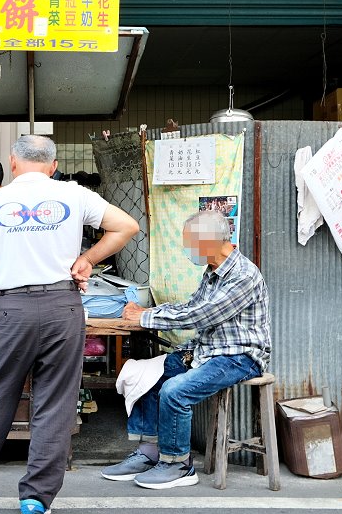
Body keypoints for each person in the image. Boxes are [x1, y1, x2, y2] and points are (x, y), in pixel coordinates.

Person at [0, 135, 139, 514]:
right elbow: (126, 226)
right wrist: (87, 259)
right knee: (55, 404)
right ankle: (35, 501)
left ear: (12, 163)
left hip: (13, 309)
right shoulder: (74, 194)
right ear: (52, 163)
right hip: (64, 308)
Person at [101, 209, 271, 489]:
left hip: (239, 357)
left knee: (175, 391)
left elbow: (201, 315)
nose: (188, 250)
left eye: (191, 243)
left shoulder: (243, 275)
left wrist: (145, 317)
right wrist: (150, 311)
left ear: (210, 242)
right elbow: (191, 306)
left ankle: (178, 464)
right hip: (210, 350)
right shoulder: (213, 271)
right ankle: (150, 453)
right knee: (150, 373)